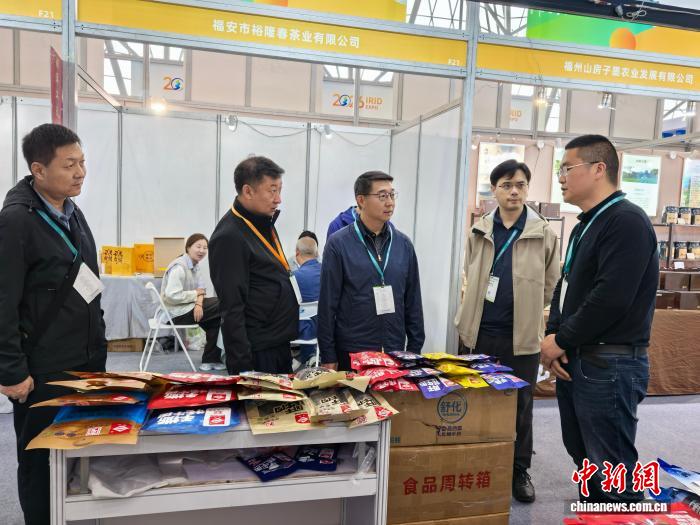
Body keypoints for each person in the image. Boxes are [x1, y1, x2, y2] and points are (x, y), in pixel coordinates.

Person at [541, 135, 658, 503]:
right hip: (580, 358)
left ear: (598, 169)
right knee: (586, 460)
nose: (561, 177)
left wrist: (561, 340)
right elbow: (565, 285)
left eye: (567, 168)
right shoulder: (585, 225)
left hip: (610, 364)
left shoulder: (626, 222)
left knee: (612, 473)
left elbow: (611, 299)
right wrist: (554, 336)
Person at [0, 123, 107, 524]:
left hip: (84, 361)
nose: (80, 173)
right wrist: (11, 370)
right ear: (39, 170)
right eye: (69, 165)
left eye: (82, 162)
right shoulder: (16, 222)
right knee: (40, 461)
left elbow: (88, 283)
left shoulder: (73, 213)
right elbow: (3, 301)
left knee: (77, 455)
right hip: (42, 367)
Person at [455, 159, 560, 503]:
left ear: (527, 189)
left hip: (522, 338)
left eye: (520, 185)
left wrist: (529, 309)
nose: (513, 191)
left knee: (521, 406)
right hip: (480, 333)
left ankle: (518, 470)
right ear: (494, 190)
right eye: (506, 185)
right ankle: (479, 464)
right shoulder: (479, 229)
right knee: (478, 400)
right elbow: (470, 271)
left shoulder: (543, 232)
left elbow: (551, 283)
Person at [318, 171, 424, 371]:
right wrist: (328, 354)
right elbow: (327, 304)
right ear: (361, 200)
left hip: (394, 351)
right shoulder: (338, 244)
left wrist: (414, 349)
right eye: (382, 196)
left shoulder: (403, 244)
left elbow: (413, 301)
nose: (390, 202)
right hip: (353, 352)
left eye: (392, 195)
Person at [209, 156, 298, 374]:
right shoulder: (229, 236)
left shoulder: (262, 221)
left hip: (278, 342)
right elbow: (232, 308)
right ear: (248, 191)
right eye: (272, 191)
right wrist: (243, 369)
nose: (278, 199)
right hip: (256, 350)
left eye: (280, 190)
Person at [161, 233, 225, 371]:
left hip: (188, 307)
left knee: (217, 318)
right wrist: (196, 294)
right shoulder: (179, 267)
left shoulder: (195, 266)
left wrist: (198, 304)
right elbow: (172, 295)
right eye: (198, 246)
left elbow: (202, 290)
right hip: (175, 313)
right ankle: (214, 357)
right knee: (223, 304)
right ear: (188, 247)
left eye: (205, 248)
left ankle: (210, 360)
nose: (202, 250)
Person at [292, 235, 321, 366]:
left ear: (297, 252)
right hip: (328, 327)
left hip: (302, 330)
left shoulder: (294, 277)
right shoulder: (329, 271)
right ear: (317, 253)